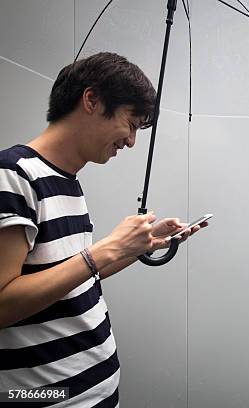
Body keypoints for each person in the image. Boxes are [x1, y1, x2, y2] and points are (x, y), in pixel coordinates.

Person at [0, 52, 203, 406]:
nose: (131, 141)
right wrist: (104, 249)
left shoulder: (67, 182)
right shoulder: (13, 175)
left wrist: (136, 247)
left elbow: (71, 278)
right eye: (131, 123)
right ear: (91, 100)